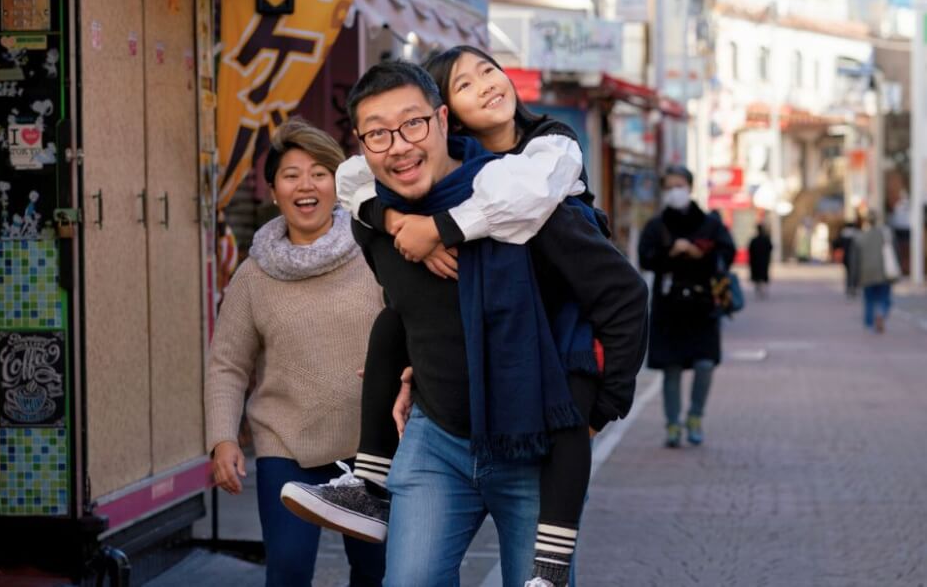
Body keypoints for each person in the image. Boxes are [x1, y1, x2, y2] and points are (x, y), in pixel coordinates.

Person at [283, 49, 644, 587]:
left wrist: (601, 410)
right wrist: (401, 225)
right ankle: (370, 484)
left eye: (413, 125)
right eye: (378, 134)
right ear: (362, 145)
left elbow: (624, 296)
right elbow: (408, 313)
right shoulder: (376, 221)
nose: (399, 146)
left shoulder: (524, 202)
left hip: (534, 443)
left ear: (443, 119)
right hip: (438, 440)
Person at [205, 118, 386, 586]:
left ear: (337, 184)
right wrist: (223, 438)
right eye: (291, 174)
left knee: (377, 573)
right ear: (272, 191)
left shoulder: (375, 252)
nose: (306, 185)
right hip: (286, 445)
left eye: (319, 172)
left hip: (374, 448)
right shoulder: (253, 275)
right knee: (286, 572)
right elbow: (228, 364)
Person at [638, 165, 736, 448]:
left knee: (705, 364)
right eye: (668, 187)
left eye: (679, 185)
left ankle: (695, 416)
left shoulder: (709, 223)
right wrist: (671, 252)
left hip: (703, 304)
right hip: (669, 308)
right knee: (671, 368)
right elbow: (646, 258)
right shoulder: (656, 225)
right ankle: (672, 424)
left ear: (690, 187)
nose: (674, 192)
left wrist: (698, 252)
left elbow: (726, 253)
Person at [851, 211, 899, 333]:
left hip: (866, 274)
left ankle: (869, 325)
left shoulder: (860, 237)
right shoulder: (886, 235)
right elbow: (894, 253)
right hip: (884, 274)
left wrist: (853, 281)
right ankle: (881, 314)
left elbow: (854, 261)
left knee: (869, 301)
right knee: (885, 298)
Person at [748, 223, 773, 298]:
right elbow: (770, 248)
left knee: (757, 277)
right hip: (764, 261)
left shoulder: (754, 240)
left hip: (756, 262)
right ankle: (763, 291)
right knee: (763, 276)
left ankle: (759, 290)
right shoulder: (766, 239)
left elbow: (750, 251)